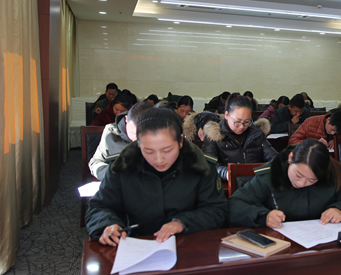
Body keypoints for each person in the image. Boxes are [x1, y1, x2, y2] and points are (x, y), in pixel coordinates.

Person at [85, 107, 228, 246]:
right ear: (138, 143)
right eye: (149, 151)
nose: (159, 159)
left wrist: (182, 222)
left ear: (180, 141)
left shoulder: (201, 166)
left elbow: (216, 210)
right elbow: (100, 206)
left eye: (167, 150)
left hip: (187, 245)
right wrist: (108, 224)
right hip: (134, 244)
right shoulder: (122, 166)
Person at [229, 139, 341, 228]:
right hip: (279, 246)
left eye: (312, 180)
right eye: (298, 175)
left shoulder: (332, 175)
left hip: (322, 245)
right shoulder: (269, 176)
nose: (302, 183)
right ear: (290, 158)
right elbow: (234, 205)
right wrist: (263, 216)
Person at [202, 93, 278, 181]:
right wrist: (226, 173)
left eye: (247, 122)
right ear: (226, 115)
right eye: (237, 121)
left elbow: (274, 157)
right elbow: (208, 165)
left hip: (255, 183)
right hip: (227, 184)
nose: (242, 126)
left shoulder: (256, 134)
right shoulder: (214, 135)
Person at [89, 102, 153, 180]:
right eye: (134, 133)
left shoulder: (161, 132)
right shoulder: (111, 132)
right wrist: (111, 175)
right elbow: (95, 162)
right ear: (126, 119)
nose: (138, 140)